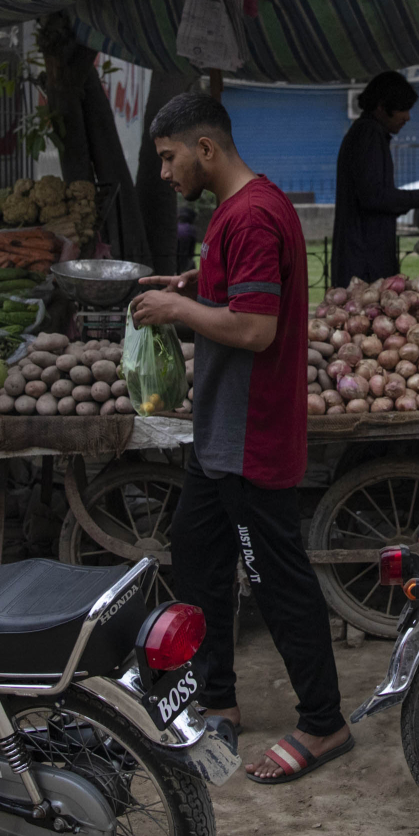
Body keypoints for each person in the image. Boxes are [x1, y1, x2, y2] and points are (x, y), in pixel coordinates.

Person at [130, 92, 351, 785]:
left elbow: (257, 329)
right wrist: (194, 283)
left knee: (278, 579)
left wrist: (178, 308)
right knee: (196, 558)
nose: (164, 173)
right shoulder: (241, 210)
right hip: (220, 439)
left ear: (205, 149)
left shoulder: (252, 214)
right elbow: (243, 288)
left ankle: (323, 721)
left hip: (251, 438)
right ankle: (215, 698)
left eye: (169, 158)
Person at [331, 70, 419, 285]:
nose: (407, 117)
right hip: (364, 262)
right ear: (382, 106)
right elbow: (374, 196)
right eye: (402, 109)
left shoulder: (367, 133)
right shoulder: (369, 134)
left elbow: (376, 193)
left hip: (364, 256)